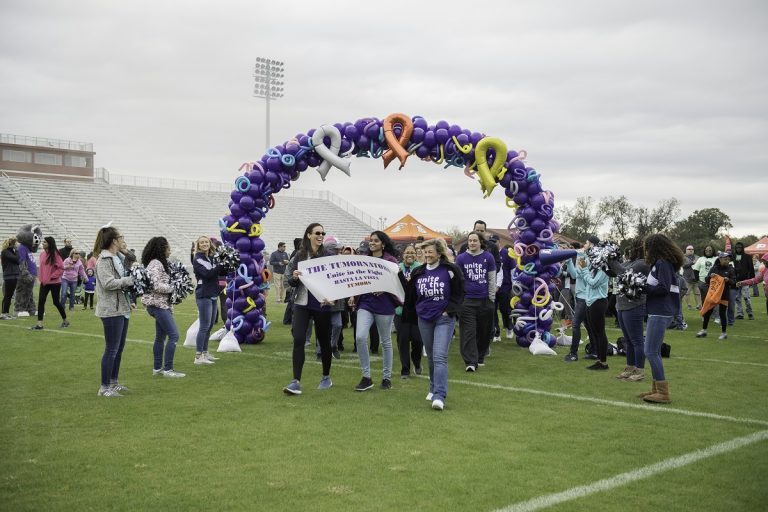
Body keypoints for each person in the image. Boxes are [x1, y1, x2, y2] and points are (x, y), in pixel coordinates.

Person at [403, 238, 463, 411]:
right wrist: (413, 312)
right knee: (430, 356)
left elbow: (459, 293)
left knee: (439, 356)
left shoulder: (450, 270)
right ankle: (432, 386)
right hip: (424, 319)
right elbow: (411, 295)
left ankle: (439, 395)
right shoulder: (418, 272)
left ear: (438, 252)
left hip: (444, 318)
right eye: (425, 252)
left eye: (430, 252)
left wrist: (449, 310)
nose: (427, 255)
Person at [283, 223, 334, 395]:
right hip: (302, 302)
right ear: (309, 235)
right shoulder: (299, 255)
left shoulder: (328, 255)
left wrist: (332, 296)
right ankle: (295, 381)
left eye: (323, 233)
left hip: (321, 304)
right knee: (298, 339)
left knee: (324, 342)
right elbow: (289, 279)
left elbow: (335, 279)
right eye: (317, 233)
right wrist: (295, 278)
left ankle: (326, 377)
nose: (321, 236)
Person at [350, 231, 401, 391]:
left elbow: (396, 283)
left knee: (385, 341)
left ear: (383, 244)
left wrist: (384, 288)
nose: (372, 243)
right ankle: (366, 377)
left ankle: (386, 378)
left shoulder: (391, 261)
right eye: (370, 240)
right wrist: (352, 295)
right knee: (360, 337)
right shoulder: (364, 259)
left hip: (384, 305)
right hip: (365, 302)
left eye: (375, 241)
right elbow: (357, 279)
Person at [638, 234, 684, 404]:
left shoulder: (662, 263)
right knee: (653, 350)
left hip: (661, 310)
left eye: (648, 247)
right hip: (659, 310)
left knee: (650, 351)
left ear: (654, 247)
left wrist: (643, 288)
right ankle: (656, 389)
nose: (646, 250)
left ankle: (663, 393)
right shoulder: (662, 263)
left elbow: (663, 288)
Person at [94, 226, 134, 397]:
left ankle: (113, 382)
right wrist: (129, 280)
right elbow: (108, 283)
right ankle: (104, 388)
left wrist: (125, 252)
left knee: (119, 348)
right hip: (111, 310)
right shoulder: (104, 260)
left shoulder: (117, 256)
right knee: (111, 349)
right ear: (113, 240)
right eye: (120, 237)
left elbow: (132, 262)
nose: (123, 239)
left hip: (122, 308)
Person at [141, 237, 185, 378]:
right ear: (162, 249)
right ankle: (168, 370)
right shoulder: (155, 263)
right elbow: (154, 285)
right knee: (174, 335)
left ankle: (157, 369)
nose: (169, 250)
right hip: (157, 304)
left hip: (160, 304)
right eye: (168, 247)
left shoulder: (159, 263)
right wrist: (174, 288)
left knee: (160, 337)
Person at [608, 238, 650, 382]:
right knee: (628, 340)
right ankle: (630, 367)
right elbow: (613, 272)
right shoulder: (629, 262)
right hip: (621, 304)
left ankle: (640, 371)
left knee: (637, 340)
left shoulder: (642, 263)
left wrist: (612, 260)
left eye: (632, 248)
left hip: (634, 305)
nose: (629, 251)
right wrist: (605, 260)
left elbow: (623, 272)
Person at [456, 231, 497, 372]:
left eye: (475, 240)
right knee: (469, 332)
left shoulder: (488, 257)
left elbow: (492, 279)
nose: (472, 243)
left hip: (485, 301)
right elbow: (459, 280)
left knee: (484, 332)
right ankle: (470, 362)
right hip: (467, 302)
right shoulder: (461, 258)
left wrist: (491, 299)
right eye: (470, 240)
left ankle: (479, 357)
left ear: (480, 242)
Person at [575, 237, 610, 370]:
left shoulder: (603, 268)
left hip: (598, 302)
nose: (584, 244)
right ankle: (598, 359)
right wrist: (581, 256)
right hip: (590, 301)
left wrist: (584, 273)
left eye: (587, 243)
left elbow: (593, 282)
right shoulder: (594, 265)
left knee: (600, 332)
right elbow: (580, 271)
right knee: (594, 332)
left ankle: (603, 362)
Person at [564, 239, 597, 362]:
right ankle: (594, 351)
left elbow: (583, 273)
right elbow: (575, 275)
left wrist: (580, 255)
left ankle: (573, 353)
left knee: (575, 324)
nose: (584, 245)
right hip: (581, 296)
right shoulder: (582, 258)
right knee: (588, 325)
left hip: (584, 297)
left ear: (592, 246)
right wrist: (569, 263)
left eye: (587, 243)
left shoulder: (587, 259)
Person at [192, 236, 222, 365]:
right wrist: (221, 265)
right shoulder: (198, 258)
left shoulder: (211, 257)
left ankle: (205, 352)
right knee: (204, 326)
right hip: (203, 293)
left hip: (213, 292)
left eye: (206, 242)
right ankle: (198, 356)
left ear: (210, 244)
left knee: (209, 325)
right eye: (202, 242)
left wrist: (228, 263)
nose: (204, 244)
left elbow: (219, 272)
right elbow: (208, 274)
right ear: (198, 245)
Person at [394, 244, 423, 378]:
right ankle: (405, 370)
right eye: (407, 252)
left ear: (416, 255)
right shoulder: (396, 268)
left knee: (418, 340)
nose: (409, 255)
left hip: (416, 311)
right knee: (403, 341)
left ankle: (417, 362)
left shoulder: (421, 268)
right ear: (403, 254)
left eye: (412, 252)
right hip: (401, 311)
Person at [696, 251, 736, 340]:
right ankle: (704, 330)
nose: (727, 261)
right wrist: (710, 276)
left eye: (728, 259)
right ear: (720, 259)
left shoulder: (731, 269)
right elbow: (706, 280)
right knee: (708, 312)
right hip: (713, 294)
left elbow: (734, 282)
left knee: (722, 313)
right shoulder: (714, 268)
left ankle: (724, 333)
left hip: (724, 295)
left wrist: (728, 280)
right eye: (725, 259)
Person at [30, 237, 68, 330]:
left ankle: (65, 321)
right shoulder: (42, 254)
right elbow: (42, 268)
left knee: (56, 302)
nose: (42, 243)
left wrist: (52, 276)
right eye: (43, 242)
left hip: (55, 283)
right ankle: (39, 325)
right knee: (41, 302)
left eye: (45, 242)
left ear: (50, 244)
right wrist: (41, 278)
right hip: (44, 282)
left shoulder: (55, 254)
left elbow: (61, 268)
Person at [732, 242, 755, 320]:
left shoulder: (747, 257)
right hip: (736, 281)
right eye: (737, 247)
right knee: (737, 298)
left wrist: (752, 280)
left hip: (745, 280)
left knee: (746, 297)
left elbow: (751, 268)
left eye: (740, 247)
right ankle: (739, 313)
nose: (738, 249)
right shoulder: (733, 256)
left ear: (742, 248)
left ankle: (750, 313)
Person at [1, 237, 20, 320]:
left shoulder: (12, 251)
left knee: (10, 295)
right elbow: (16, 258)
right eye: (15, 243)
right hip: (9, 275)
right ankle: (3, 313)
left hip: (14, 275)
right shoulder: (5, 252)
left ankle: (6, 313)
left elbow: (18, 260)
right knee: (7, 295)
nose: (16, 245)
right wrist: (17, 250)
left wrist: (16, 250)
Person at [682, 245, 702, 310]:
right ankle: (689, 305)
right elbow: (683, 266)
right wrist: (692, 263)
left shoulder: (697, 257)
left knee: (698, 293)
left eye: (692, 249)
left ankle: (699, 305)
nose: (691, 250)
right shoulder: (683, 257)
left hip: (696, 278)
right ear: (686, 250)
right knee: (687, 292)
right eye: (689, 249)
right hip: (687, 277)